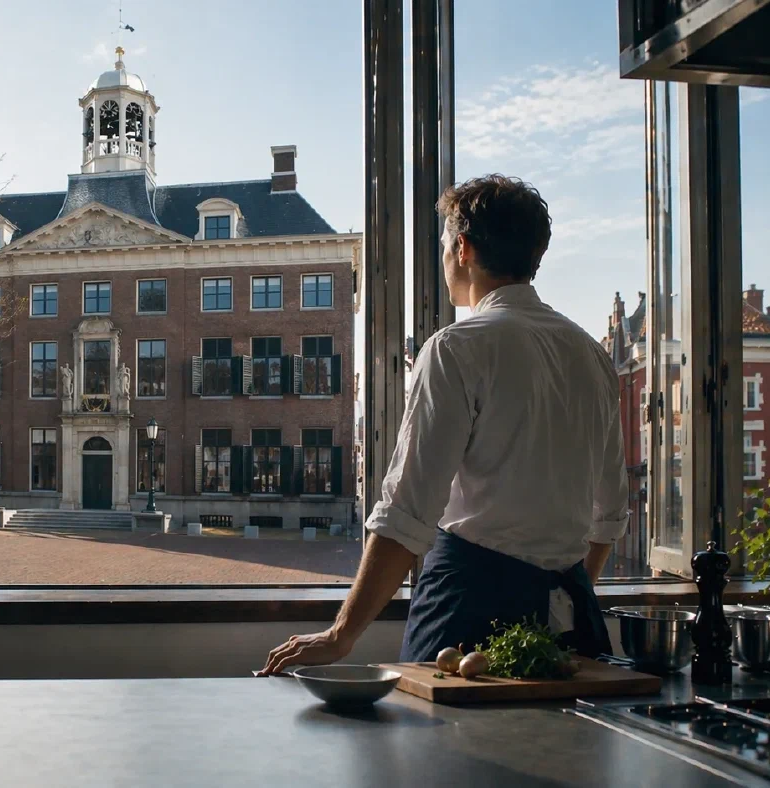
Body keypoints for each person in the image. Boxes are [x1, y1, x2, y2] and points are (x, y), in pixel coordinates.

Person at [261, 175, 629, 675]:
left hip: (467, 615)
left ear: (463, 248)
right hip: (575, 626)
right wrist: (560, 594)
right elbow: (609, 517)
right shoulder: (593, 356)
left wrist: (340, 635)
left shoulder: (456, 348)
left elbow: (406, 513)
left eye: (442, 245)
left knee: (446, 752)